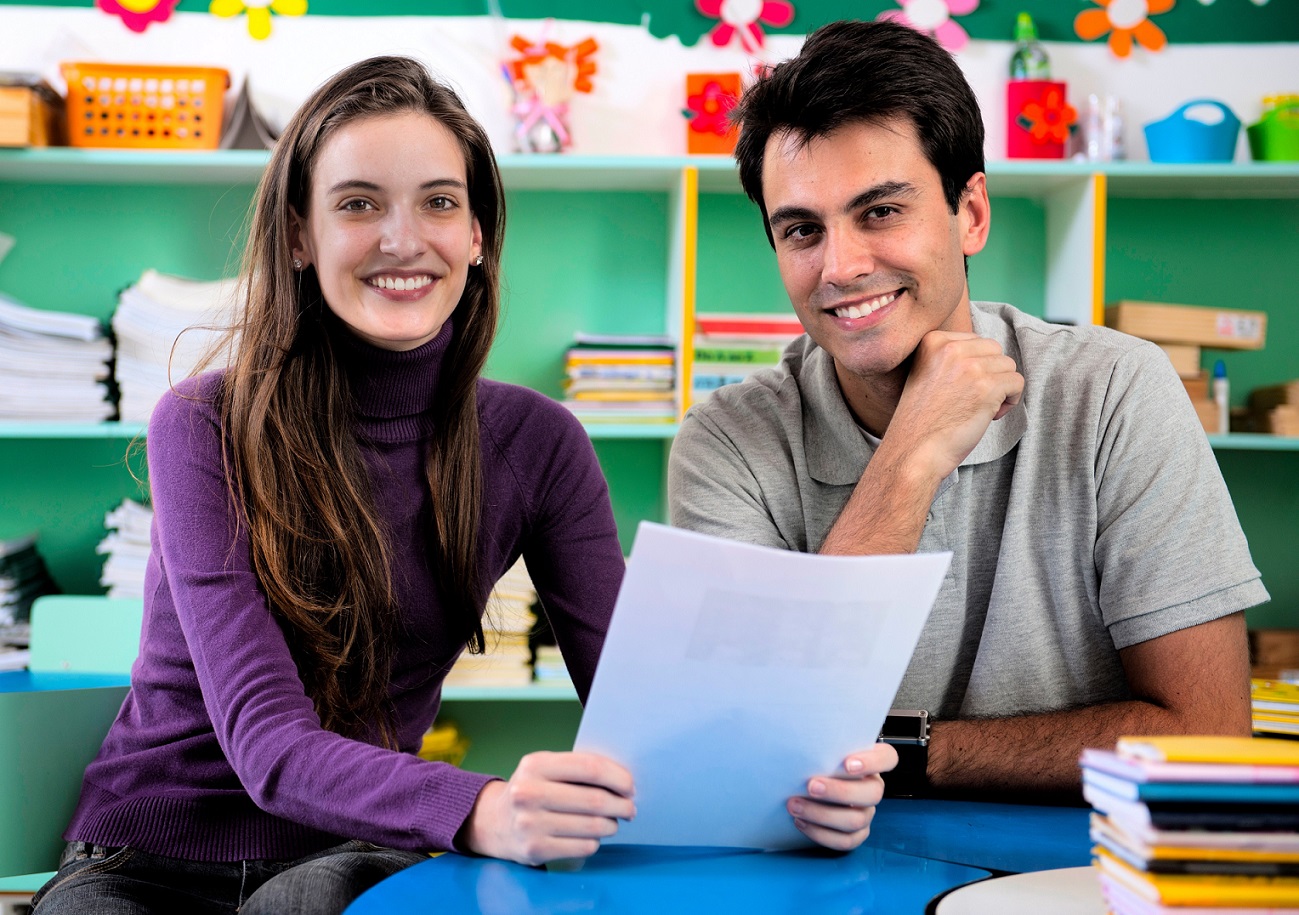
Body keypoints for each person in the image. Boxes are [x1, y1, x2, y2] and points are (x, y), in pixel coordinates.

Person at [34, 55, 887, 915]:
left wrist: (796, 793)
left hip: (346, 856)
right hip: (147, 855)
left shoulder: (536, 442)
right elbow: (269, 746)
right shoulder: (203, 423)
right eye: (358, 202)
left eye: (439, 202)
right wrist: (484, 805)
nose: (403, 240)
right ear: (299, 233)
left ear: (476, 234)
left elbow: (647, 705)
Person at [669, 20, 1265, 801]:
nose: (840, 267)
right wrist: (911, 453)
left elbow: (1208, 732)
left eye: (880, 211)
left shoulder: (1116, 389)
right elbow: (754, 747)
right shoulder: (725, 441)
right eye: (802, 230)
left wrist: (908, 753)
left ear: (971, 213)